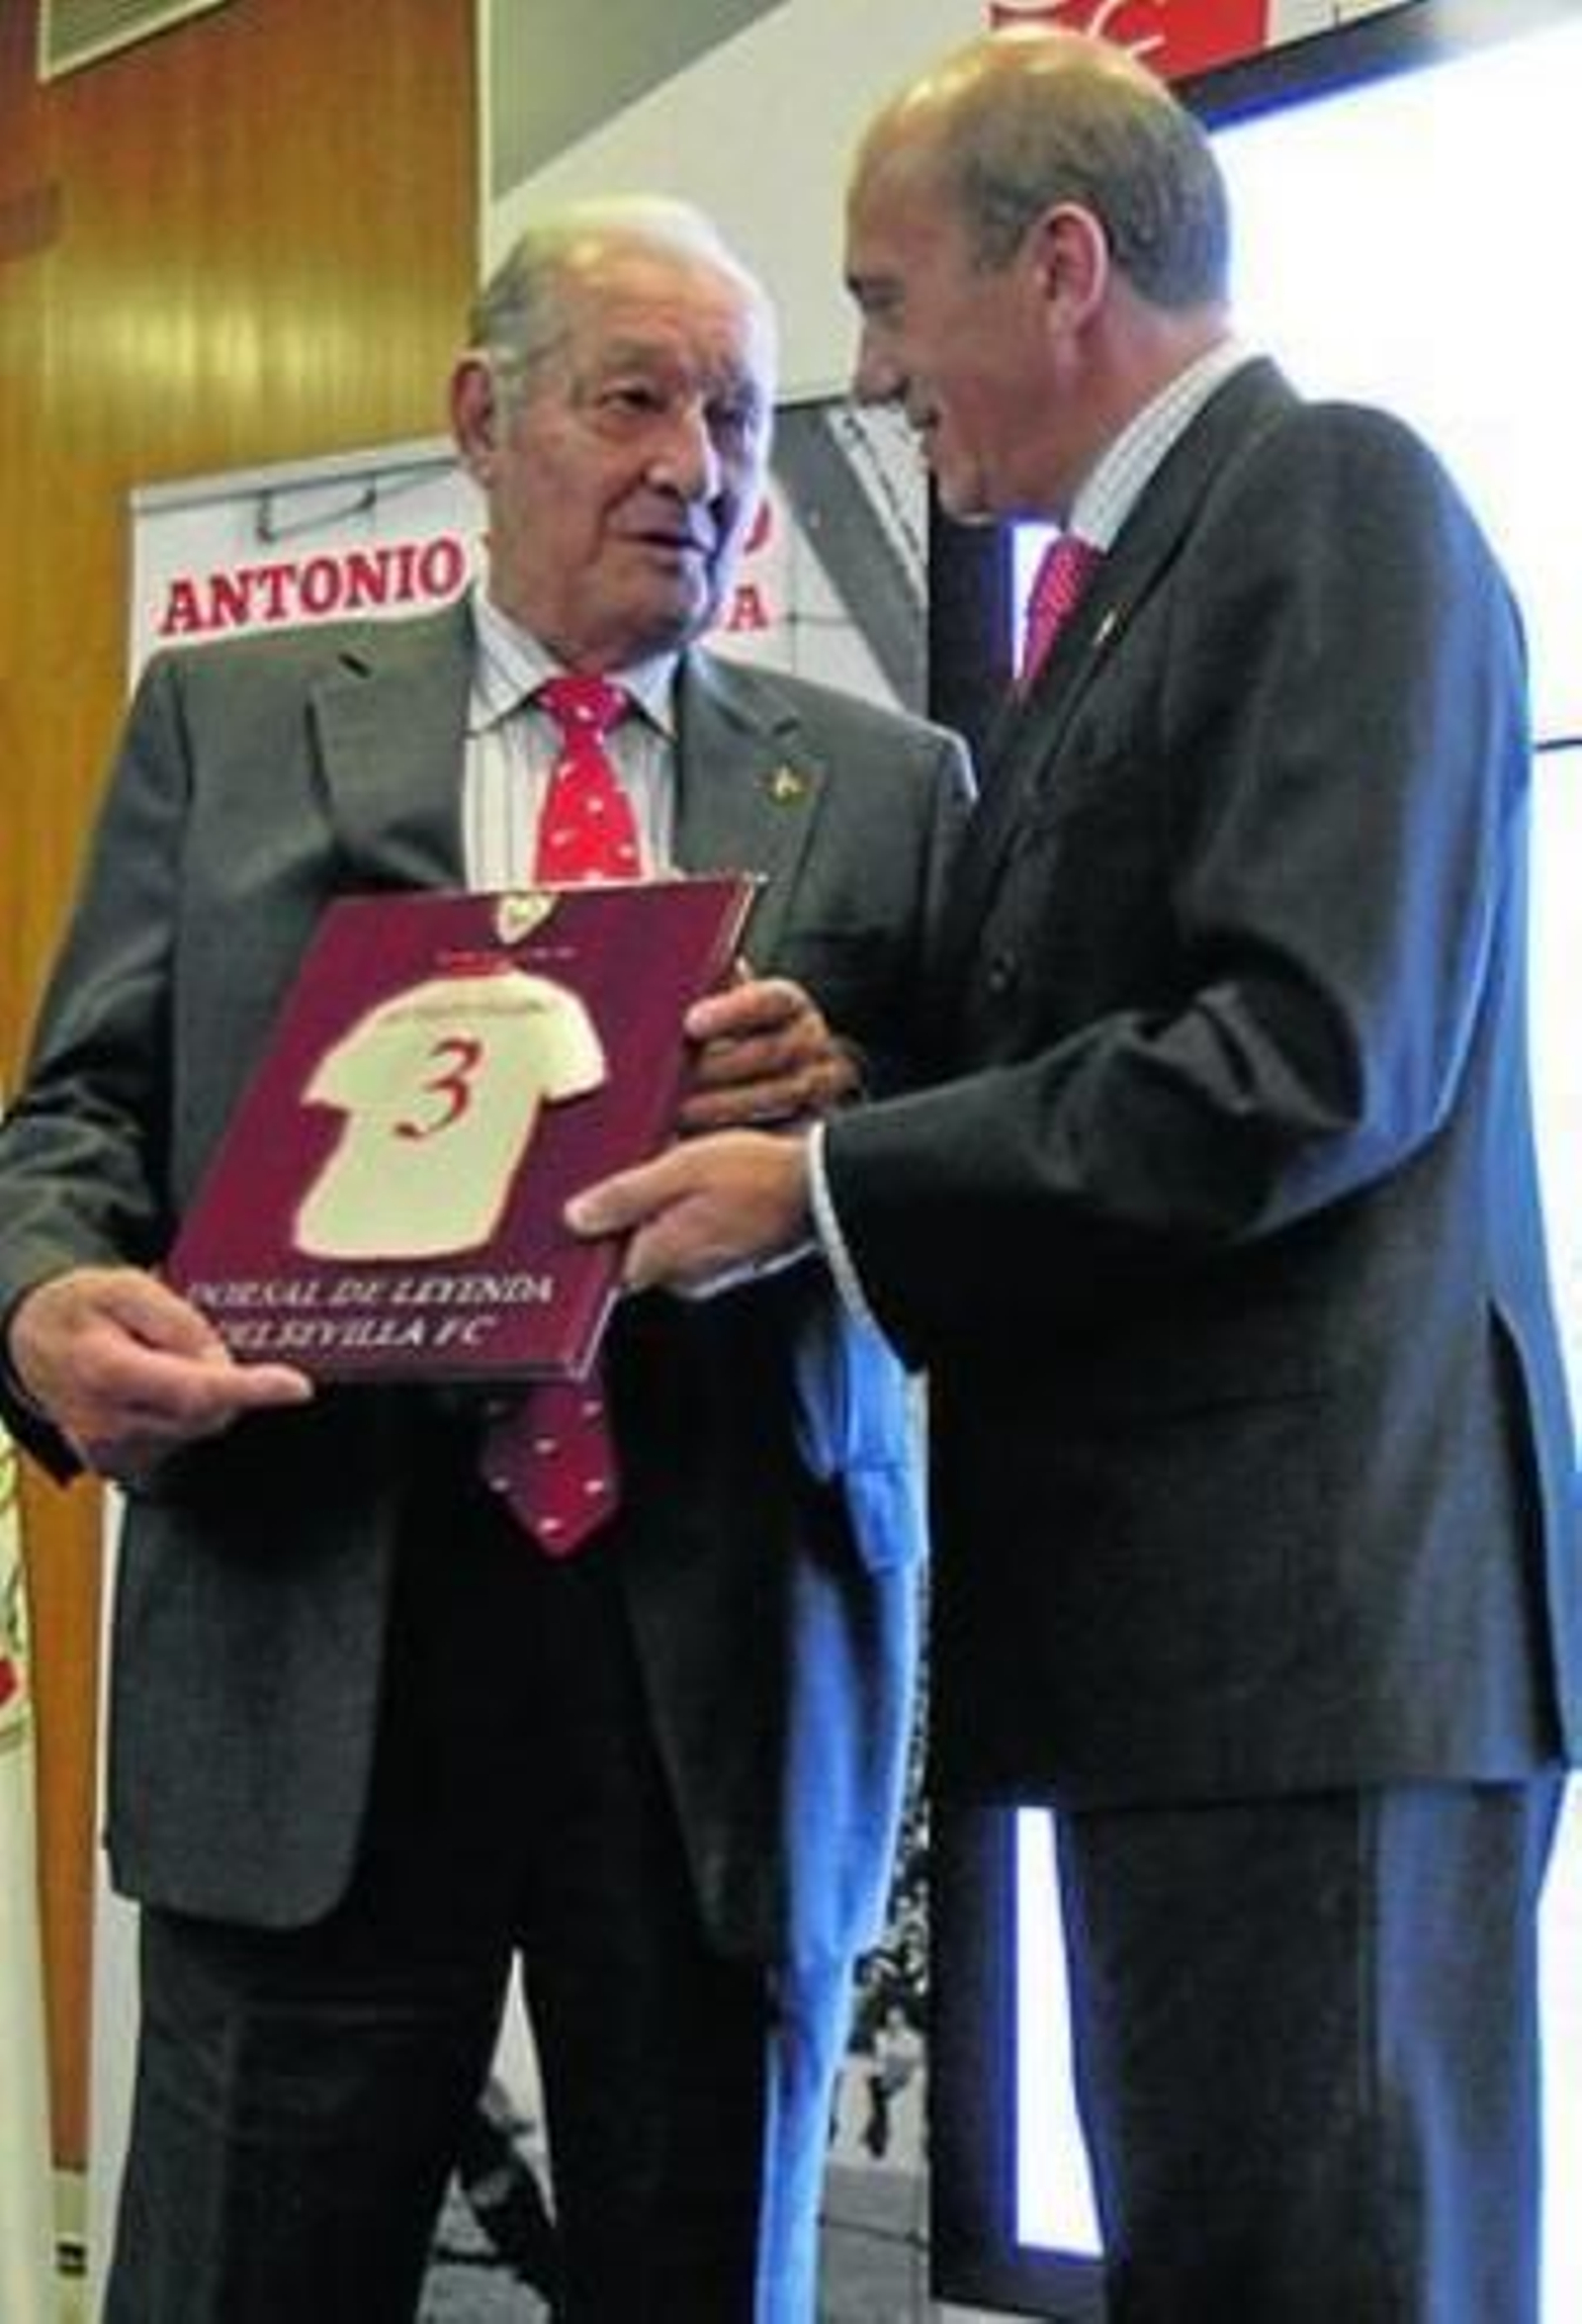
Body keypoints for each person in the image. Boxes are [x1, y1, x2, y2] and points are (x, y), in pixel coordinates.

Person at [565, 33, 1582, 2324]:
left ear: (1053, 266)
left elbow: (1300, 1059)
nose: (866, 371)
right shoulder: (1134, 580)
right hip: (1208, 1665)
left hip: (1312, 1657)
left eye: (882, 295)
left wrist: (826, 1185)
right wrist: (854, 1075)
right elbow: (1121, 1031)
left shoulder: (1329, 498)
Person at [0, 196, 971, 2322]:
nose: (694, 465)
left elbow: (979, 1170)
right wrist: (45, 1303)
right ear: (478, 417)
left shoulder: (889, 788)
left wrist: (840, 1119)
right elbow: (73, 1119)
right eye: (633, 400)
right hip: (317, 1620)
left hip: (714, 1671)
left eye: (734, 415)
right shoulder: (230, 722)